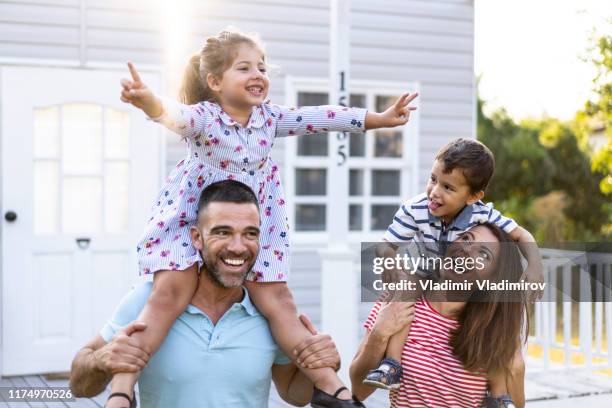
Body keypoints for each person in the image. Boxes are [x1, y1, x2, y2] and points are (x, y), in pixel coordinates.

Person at [115, 27, 418, 407]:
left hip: (256, 223)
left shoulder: (269, 119)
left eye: (261, 66)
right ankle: (122, 391)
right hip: (194, 222)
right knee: (167, 295)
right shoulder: (204, 119)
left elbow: (321, 117)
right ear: (214, 81)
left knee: (279, 300)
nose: (258, 74)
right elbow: (171, 114)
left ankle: (333, 390)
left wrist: (379, 118)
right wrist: (147, 101)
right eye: (244, 68)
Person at [69, 180, 348, 408]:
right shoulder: (150, 299)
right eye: (223, 232)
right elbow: (79, 384)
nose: (238, 247)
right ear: (196, 238)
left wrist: (322, 363)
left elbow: (293, 394)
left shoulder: (269, 311)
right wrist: (101, 360)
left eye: (250, 233)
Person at [362, 138, 540, 393]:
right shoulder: (415, 209)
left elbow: (522, 235)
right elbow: (385, 245)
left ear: (473, 196)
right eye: (433, 179)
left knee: (496, 317)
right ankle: (392, 365)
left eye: (448, 187)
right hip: (424, 272)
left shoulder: (482, 214)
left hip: (462, 282)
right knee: (406, 288)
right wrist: (388, 258)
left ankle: (497, 394)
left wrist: (535, 266)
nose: (435, 192)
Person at [350, 223, 528, 407]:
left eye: (484, 254)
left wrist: (516, 367)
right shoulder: (399, 300)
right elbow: (358, 390)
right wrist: (379, 333)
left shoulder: (489, 329)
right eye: (466, 238)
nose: (467, 251)